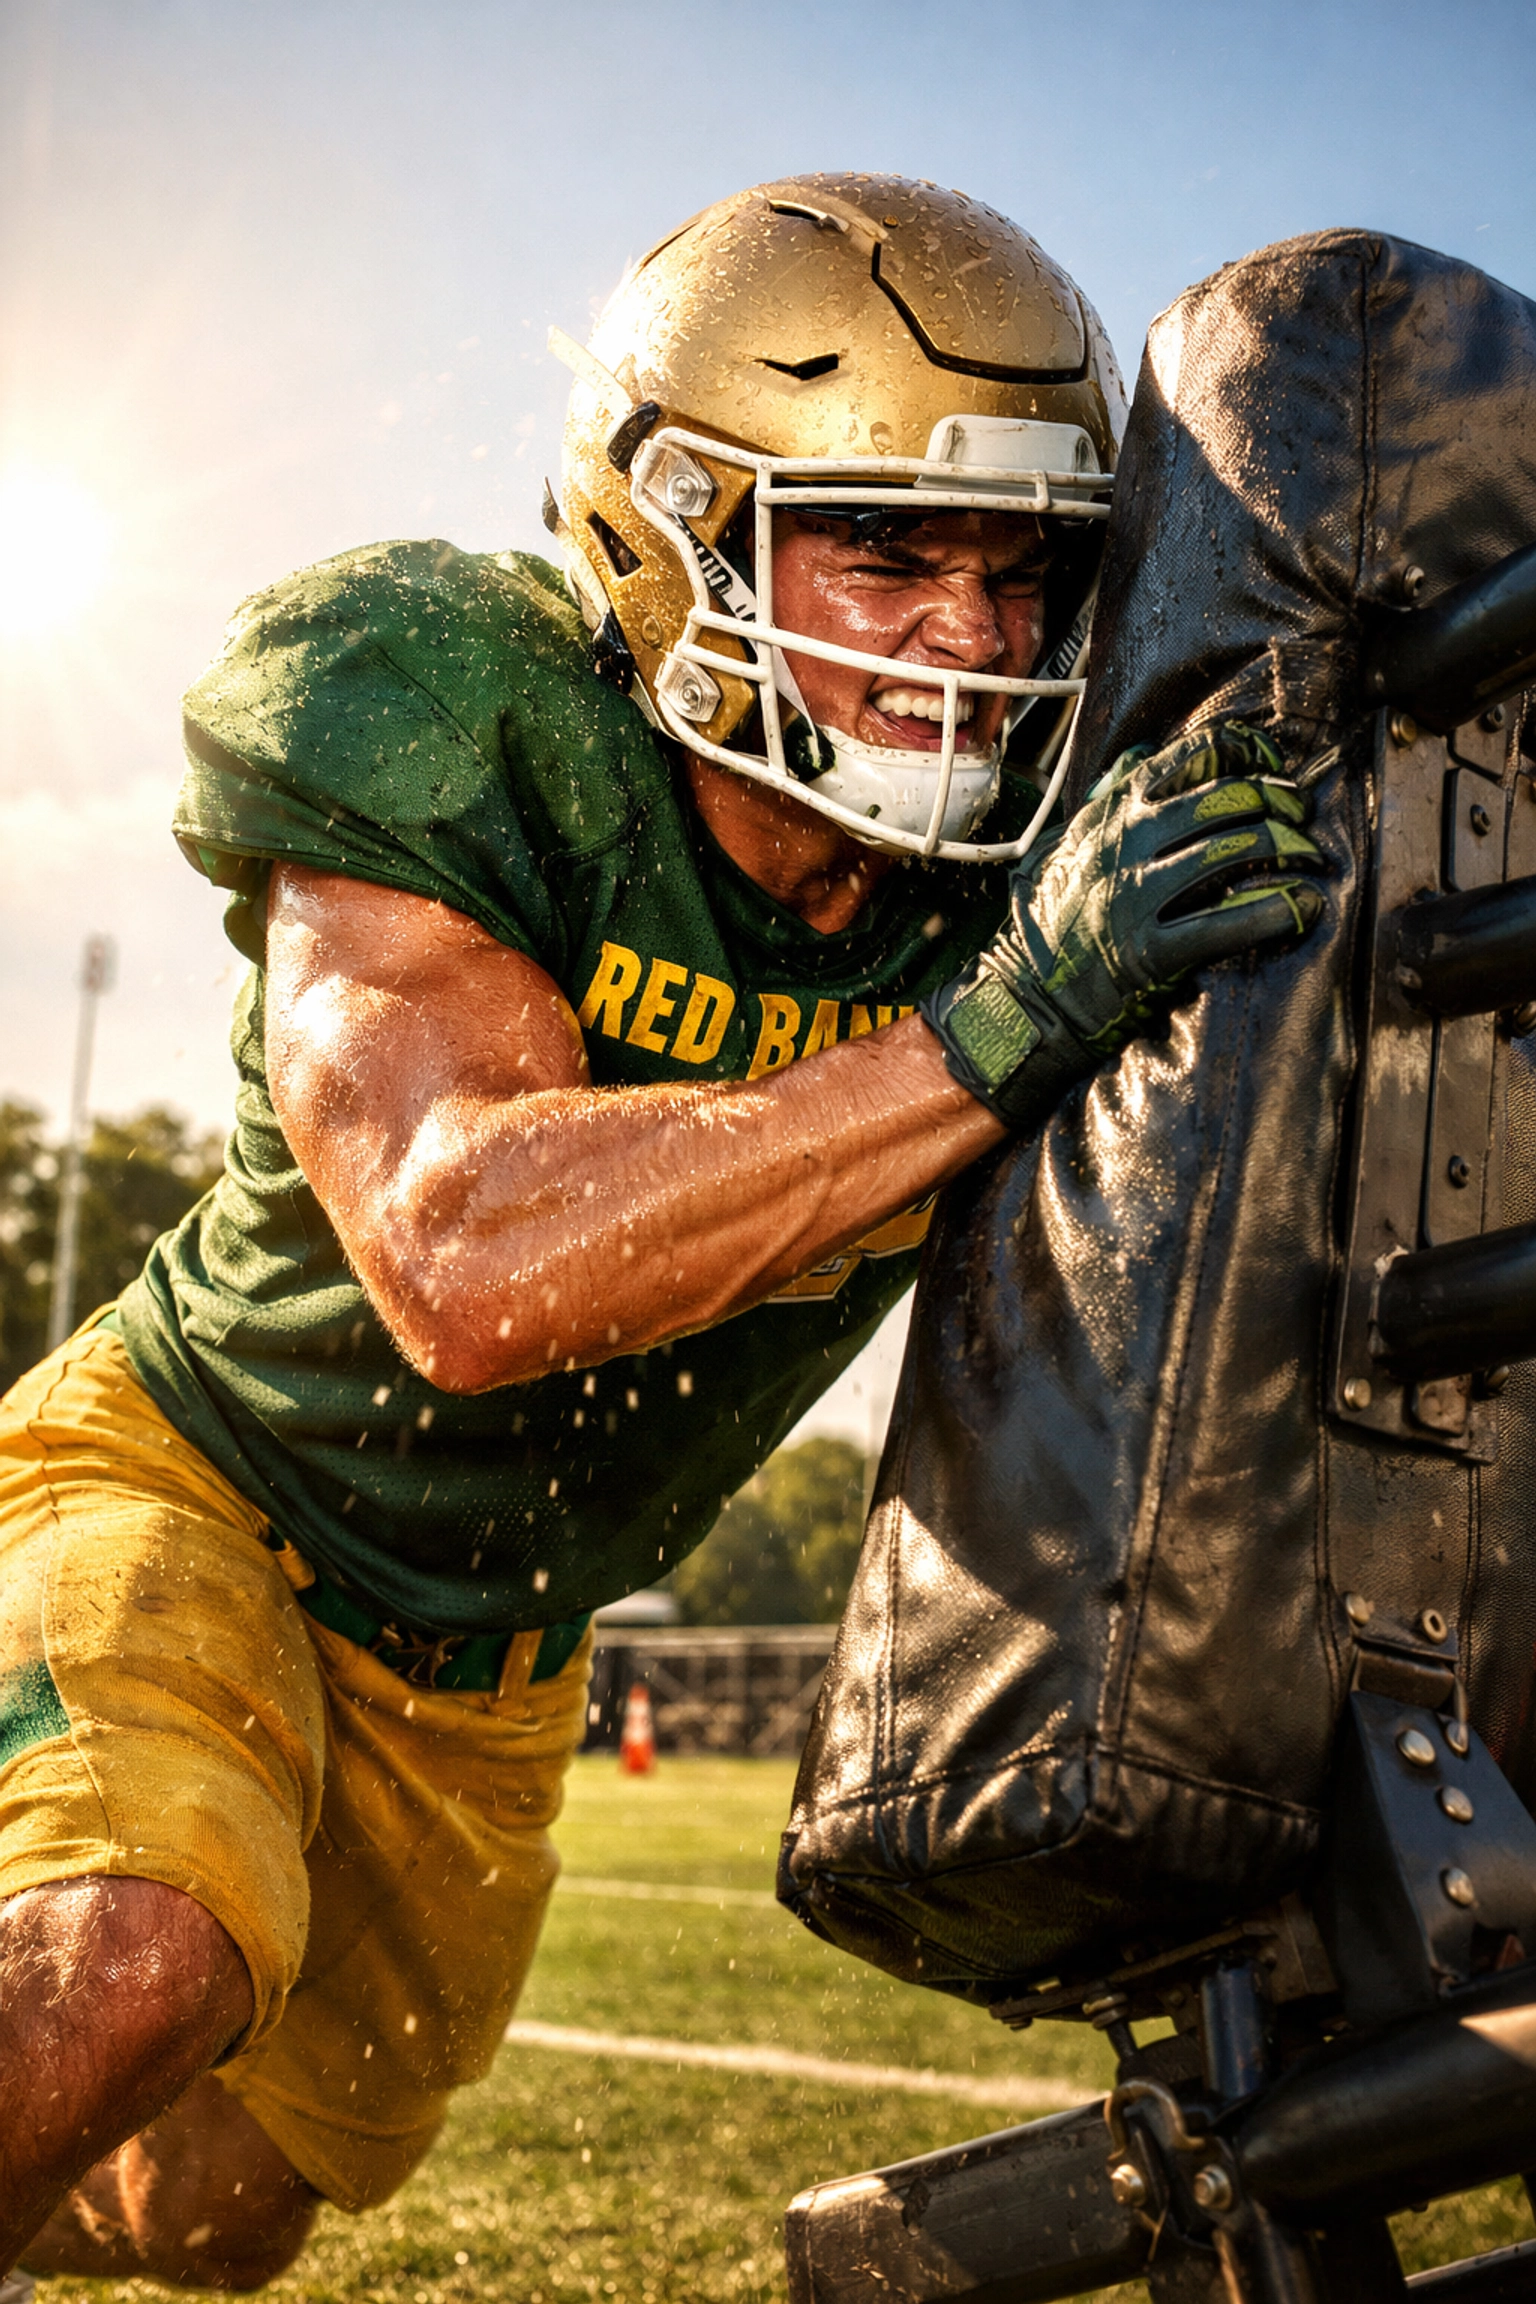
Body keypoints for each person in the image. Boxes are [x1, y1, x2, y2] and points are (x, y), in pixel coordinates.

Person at [0, 173, 1323, 2289]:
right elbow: (469, 1257)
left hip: (499, 1670)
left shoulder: (1040, 866)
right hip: (202, 1488)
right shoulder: (466, 710)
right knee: (121, 1960)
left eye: (1022, 567)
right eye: (885, 542)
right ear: (671, 526)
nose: (970, 635)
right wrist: (994, 1031)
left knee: (204, 2217)